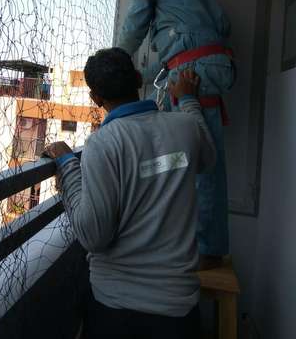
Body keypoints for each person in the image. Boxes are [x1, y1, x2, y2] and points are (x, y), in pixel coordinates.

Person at [44, 47, 215, 339]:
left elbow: (93, 236)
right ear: (138, 79)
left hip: (116, 311)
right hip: (178, 312)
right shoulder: (185, 128)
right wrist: (188, 100)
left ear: (95, 99)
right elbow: (206, 159)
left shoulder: (103, 144)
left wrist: (68, 165)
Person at [116, 0, 235, 264]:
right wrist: (155, 70)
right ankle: (202, 243)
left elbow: (134, 23)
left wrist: (114, 61)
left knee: (190, 161)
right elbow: (219, 28)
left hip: (193, 73)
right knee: (205, 159)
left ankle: (204, 249)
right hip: (211, 68)